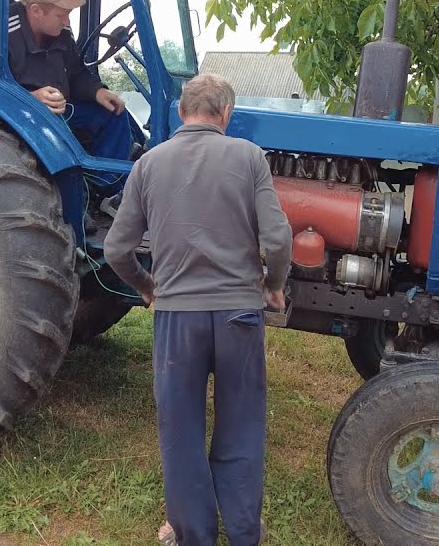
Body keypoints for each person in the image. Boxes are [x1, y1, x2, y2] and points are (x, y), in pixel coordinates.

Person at [103, 74, 292, 546]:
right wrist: (273, 287)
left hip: (177, 320)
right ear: (225, 114)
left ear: (184, 111)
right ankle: (245, 532)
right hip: (239, 317)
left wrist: (148, 288)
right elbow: (279, 239)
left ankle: (193, 535)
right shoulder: (249, 157)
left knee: (181, 430)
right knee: (242, 424)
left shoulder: (148, 164)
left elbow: (116, 250)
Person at [7, 0, 135, 164]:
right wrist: (31, 98)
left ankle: (106, 186)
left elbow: (75, 72)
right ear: (35, 11)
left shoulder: (61, 30)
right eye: (62, 15)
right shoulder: (3, 31)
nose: (67, 21)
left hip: (61, 109)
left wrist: (97, 91)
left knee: (114, 113)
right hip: (19, 114)